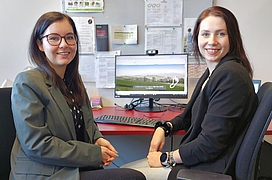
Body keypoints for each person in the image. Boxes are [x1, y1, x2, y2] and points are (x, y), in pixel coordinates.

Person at [121, 6, 258, 180]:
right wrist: (164, 128)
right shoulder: (214, 72)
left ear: (233, 38)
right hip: (200, 162)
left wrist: (166, 158)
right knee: (126, 170)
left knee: (126, 175)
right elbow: (188, 116)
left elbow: (210, 144)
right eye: (205, 34)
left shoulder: (230, 75)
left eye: (221, 34)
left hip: (209, 169)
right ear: (197, 38)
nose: (212, 41)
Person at [9, 11, 146, 180]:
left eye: (69, 37)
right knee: (131, 177)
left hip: (72, 165)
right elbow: (37, 145)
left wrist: (97, 139)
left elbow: (87, 122)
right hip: (45, 171)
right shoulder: (27, 81)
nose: (63, 44)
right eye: (54, 38)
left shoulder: (73, 79)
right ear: (39, 44)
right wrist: (95, 154)